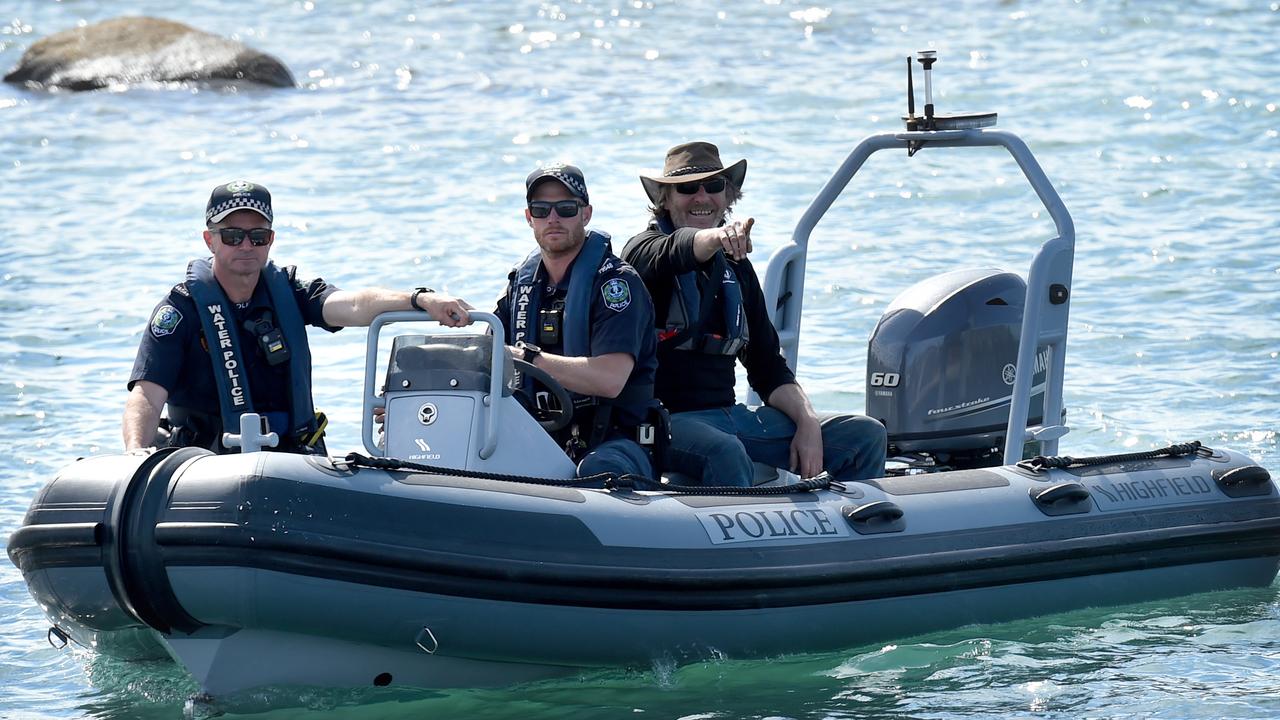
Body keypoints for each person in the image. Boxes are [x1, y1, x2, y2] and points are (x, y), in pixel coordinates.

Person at [123, 180, 473, 454]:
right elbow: (147, 396)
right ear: (209, 241)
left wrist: (420, 298)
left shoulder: (289, 291)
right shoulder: (180, 311)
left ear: (270, 240)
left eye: (257, 236)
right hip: (207, 465)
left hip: (291, 459)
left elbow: (352, 305)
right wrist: (135, 451)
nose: (246, 246)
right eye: (232, 236)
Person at [622, 142, 886, 486]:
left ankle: (853, 532)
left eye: (713, 186)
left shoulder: (737, 270)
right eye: (687, 188)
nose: (702, 197)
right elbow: (679, 248)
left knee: (864, 435)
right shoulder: (643, 253)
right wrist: (719, 236)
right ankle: (742, 538)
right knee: (724, 451)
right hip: (664, 423)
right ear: (665, 199)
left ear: (728, 196)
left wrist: (807, 422)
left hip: (732, 418)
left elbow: (767, 367)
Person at [495, 164, 660, 479]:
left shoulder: (616, 284)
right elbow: (488, 351)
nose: (553, 218)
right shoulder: (522, 285)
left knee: (598, 469)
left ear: (586, 214)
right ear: (529, 218)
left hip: (618, 439)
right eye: (541, 210)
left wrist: (528, 358)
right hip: (543, 434)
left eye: (566, 208)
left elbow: (609, 380)